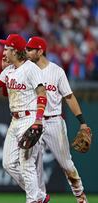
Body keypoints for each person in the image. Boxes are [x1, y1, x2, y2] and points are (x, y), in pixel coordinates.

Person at [0, 34, 49, 203]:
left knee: (26, 163)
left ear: (15, 51)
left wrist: (38, 120)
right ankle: (39, 195)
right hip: (15, 120)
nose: (4, 50)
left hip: (30, 118)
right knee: (8, 164)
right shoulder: (9, 70)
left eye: (6, 48)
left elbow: (42, 94)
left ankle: (33, 199)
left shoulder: (31, 69)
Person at [25, 36, 89, 203]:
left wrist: (82, 122)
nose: (27, 52)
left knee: (67, 165)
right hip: (34, 121)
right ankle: (39, 199)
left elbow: (69, 97)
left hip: (54, 121)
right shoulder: (25, 70)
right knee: (33, 167)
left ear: (40, 51)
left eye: (31, 49)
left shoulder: (57, 71)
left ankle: (80, 197)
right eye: (27, 49)